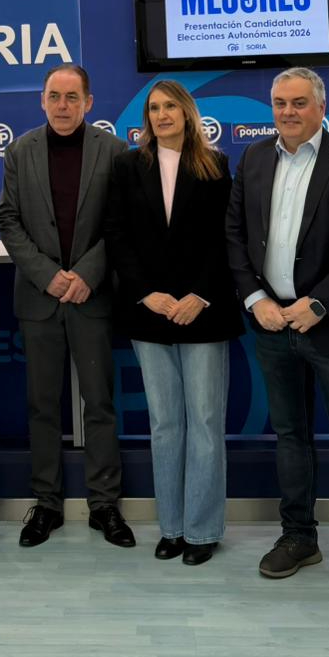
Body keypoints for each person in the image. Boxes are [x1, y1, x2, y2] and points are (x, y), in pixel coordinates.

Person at [226, 67, 329, 604]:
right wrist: (256, 300)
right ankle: (299, 537)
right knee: (290, 437)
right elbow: (234, 235)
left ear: (322, 107)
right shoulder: (254, 158)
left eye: (299, 102)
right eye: (279, 103)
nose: (288, 112)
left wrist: (320, 303)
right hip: (273, 325)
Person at [104, 81, 240, 565]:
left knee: (205, 422)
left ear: (186, 113)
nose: (162, 115)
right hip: (151, 312)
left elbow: (226, 239)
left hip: (204, 310)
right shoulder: (128, 166)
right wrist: (148, 294)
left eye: (170, 107)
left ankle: (202, 531)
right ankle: (173, 528)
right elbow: (117, 235)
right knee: (165, 424)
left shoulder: (215, 165)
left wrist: (199, 295)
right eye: (154, 108)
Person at [0, 64, 133, 549]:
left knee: (99, 403)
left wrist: (86, 275)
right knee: (42, 404)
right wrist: (49, 275)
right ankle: (47, 503)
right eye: (54, 96)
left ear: (88, 103)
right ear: (42, 100)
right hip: (40, 297)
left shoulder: (113, 151)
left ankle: (105, 505)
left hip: (90, 295)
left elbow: (120, 222)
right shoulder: (20, 151)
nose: (62, 105)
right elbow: (9, 221)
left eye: (72, 97)